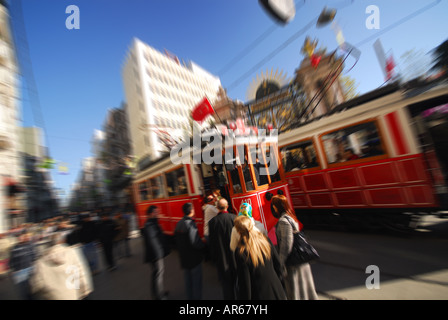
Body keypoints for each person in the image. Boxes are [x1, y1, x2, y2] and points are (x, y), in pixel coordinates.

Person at [271, 194, 319, 300]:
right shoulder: (291, 217)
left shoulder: (284, 221)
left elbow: (286, 243)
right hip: (301, 260)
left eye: (273, 206)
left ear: (276, 207)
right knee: (306, 288)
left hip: (294, 263)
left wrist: (281, 262)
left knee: (296, 290)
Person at [233, 215, 286, 300]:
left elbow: (245, 283)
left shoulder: (241, 251)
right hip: (276, 288)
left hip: (259, 293)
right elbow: (278, 265)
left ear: (238, 231)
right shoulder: (265, 240)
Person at [29, 231, 93, 300]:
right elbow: (80, 273)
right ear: (63, 241)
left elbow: (37, 285)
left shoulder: (40, 262)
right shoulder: (71, 253)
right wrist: (84, 291)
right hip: (73, 294)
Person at [174, 202, 205, 300]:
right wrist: (203, 245)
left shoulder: (179, 223)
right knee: (196, 283)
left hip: (184, 258)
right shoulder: (190, 223)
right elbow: (195, 242)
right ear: (191, 211)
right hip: (194, 259)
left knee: (188, 283)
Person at [208, 198, 237, 299]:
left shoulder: (212, 223)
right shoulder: (234, 218)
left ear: (217, 208)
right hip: (235, 258)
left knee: (226, 287)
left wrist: (214, 259)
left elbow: (212, 243)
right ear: (227, 206)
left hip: (222, 259)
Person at [141, 205, 170, 300]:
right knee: (158, 275)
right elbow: (154, 241)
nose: (158, 213)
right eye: (156, 212)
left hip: (155, 254)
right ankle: (159, 295)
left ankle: (159, 292)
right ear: (151, 214)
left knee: (157, 274)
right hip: (155, 255)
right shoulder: (150, 224)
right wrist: (159, 255)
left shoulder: (152, 223)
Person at [8, 229, 37, 300]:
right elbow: (11, 260)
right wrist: (12, 270)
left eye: (23, 236)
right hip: (19, 272)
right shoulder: (14, 248)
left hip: (29, 270)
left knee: (31, 290)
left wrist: (33, 267)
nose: (21, 238)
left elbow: (34, 256)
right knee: (23, 292)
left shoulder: (30, 245)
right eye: (19, 236)